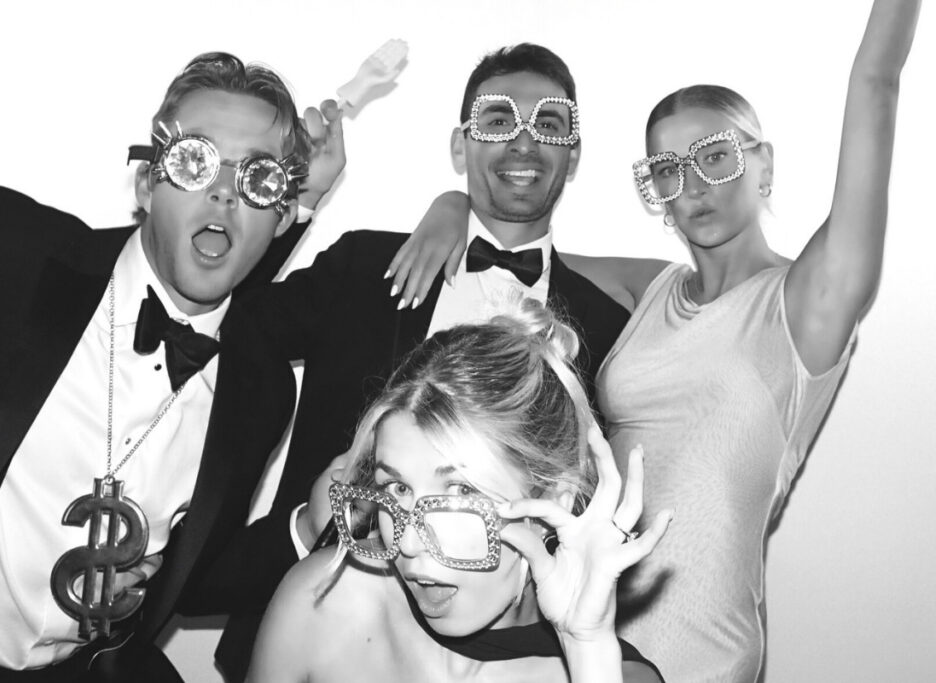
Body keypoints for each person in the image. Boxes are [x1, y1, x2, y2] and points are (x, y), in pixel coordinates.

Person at [386, 1, 921, 680]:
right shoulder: (650, 290)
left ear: (764, 166)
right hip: (576, 610)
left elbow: (876, 82)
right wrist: (452, 203)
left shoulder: (810, 302)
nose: (691, 185)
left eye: (715, 157)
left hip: (700, 635)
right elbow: (521, 235)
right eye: (668, 167)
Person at [0, 52, 344, 682]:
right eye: (194, 161)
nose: (223, 191)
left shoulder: (261, 387)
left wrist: (307, 525)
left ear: (281, 215)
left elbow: (197, 577)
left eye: (258, 180)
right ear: (147, 184)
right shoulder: (1, 254)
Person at [215, 43, 632, 681]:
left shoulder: (606, 327)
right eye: (497, 121)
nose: (522, 141)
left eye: (547, 124)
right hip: (325, 623)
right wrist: (298, 204)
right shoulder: (362, 268)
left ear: (572, 153)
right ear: (460, 147)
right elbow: (227, 319)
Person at [250, 299, 672, 683]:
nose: (408, 542)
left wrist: (586, 651)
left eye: (459, 490)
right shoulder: (325, 596)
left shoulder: (611, 674)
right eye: (397, 487)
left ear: (551, 501)